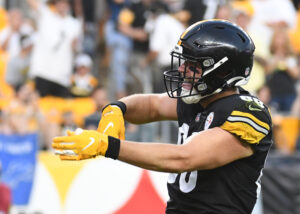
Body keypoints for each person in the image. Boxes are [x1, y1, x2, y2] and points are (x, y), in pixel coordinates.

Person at [52, 20, 273, 213]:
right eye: (185, 61)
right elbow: (152, 105)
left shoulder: (248, 113)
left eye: (193, 65)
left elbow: (183, 157)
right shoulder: (199, 98)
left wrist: (107, 146)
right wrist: (116, 109)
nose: (183, 69)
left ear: (222, 72)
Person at [26, 0, 82, 98]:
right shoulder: (46, 15)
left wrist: (74, 45)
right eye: (59, 2)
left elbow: (76, 48)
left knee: (59, 110)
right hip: (43, 71)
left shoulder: (74, 24)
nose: (61, 5)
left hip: (62, 76)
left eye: (64, 2)